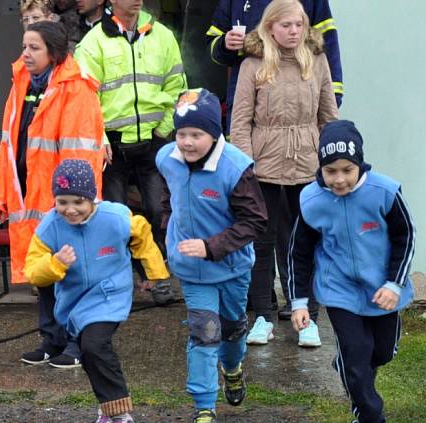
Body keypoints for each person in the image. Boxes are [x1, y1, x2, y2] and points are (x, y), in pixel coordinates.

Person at [288, 120, 415, 423]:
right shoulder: (311, 200)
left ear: (360, 164)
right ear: (321, 168)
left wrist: (395, 284)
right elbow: (298, 253)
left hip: (382, 290)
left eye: (347, 169)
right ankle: (369, 422)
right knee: (357, 356)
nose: (339, 179)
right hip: (339, 289)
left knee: (382, 352)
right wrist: (300, 302)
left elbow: (406, 237)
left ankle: (350, 367)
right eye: (331, 171)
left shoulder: (384, 193)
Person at [25, 159, 169, 423]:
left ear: (92, 198)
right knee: (91, 355)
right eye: (62, 202)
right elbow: (33, 272)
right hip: (74, 303)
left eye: (78, 201)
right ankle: (107, 410)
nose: (70, 210)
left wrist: (153, 273)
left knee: (94, 345)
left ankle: (121, 414)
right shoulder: (49, 227)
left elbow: (141, 234)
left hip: (110, 293)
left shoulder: (115, 217)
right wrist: (55, 263)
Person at [0, 21, 104, 369]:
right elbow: (9, 146)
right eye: (24, 46)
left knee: (71, 273)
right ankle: (51, 339)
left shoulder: (76, 89)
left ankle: (75, 341)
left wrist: (75, 202)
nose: (25, 54)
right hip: (31, 196)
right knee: (44, 272)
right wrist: (0, 196)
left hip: (64, 200)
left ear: (54, 53)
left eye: (34, 47)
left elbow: (80, 152)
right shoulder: (21, 85)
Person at [157, 90, 267, 423]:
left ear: (215, 134)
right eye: (181, 134)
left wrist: (211, 246)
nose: (187, 143)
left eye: (196, 135)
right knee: (204, 332)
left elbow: (255, 222)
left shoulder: (235, 169)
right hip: (191, 270)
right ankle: (204, 408)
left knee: (232, 330)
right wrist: (168, 229)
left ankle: (233, 368)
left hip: (232, 267)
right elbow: (168, 195)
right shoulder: (166, 158)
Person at [230, 0, 338, 348]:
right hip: (264, 165)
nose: (293, 32)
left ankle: (306, 316)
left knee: (305, 242)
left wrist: (329, 164)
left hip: (307, 164)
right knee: (262, 242)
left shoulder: (317, 60)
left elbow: (329, 117)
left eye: (298, 25)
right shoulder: (253, 63)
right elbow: (240, 120)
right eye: (286, 25)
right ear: (270, 27)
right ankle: (262, 315)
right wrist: (246, 168)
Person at [75, 0, 186, 308]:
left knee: (155, 212)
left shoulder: (162, 36)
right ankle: (130, 278)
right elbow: (85, 97)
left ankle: (153, 275)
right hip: (112, 145)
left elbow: (177, 83)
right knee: (115, 217)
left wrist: (164, 129)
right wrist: (98, 137)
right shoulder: (93, 41)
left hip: (152, 140)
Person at [206, 0, 343, 135]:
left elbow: (327, 41)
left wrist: (332, 96)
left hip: (300, 100)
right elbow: (212, 44)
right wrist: (224, 44)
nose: (294, 31)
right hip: (247, 102)